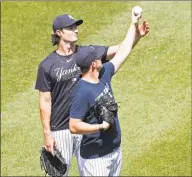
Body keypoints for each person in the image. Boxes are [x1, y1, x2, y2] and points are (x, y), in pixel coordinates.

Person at [35, 12, 148, 176]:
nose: (76, 30)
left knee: (90, 170)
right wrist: (47, 134)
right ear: (58, 33)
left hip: (84, 124)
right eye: (71, 27)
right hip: (60, 129)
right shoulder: (47, 66)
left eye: (76, 26)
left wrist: (136, 35)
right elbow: (45, 101)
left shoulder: (87, 54)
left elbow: (120, 51)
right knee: (58, 174)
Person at [69, 8, 149, 176]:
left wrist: (133, 26)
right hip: (95, 158)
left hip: (114, 150)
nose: (101, 58)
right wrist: (101, 126)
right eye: (98, 57)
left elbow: (122, 53)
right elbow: (74, 126)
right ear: (92, 64)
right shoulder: (82, 92)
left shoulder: (103, 73)